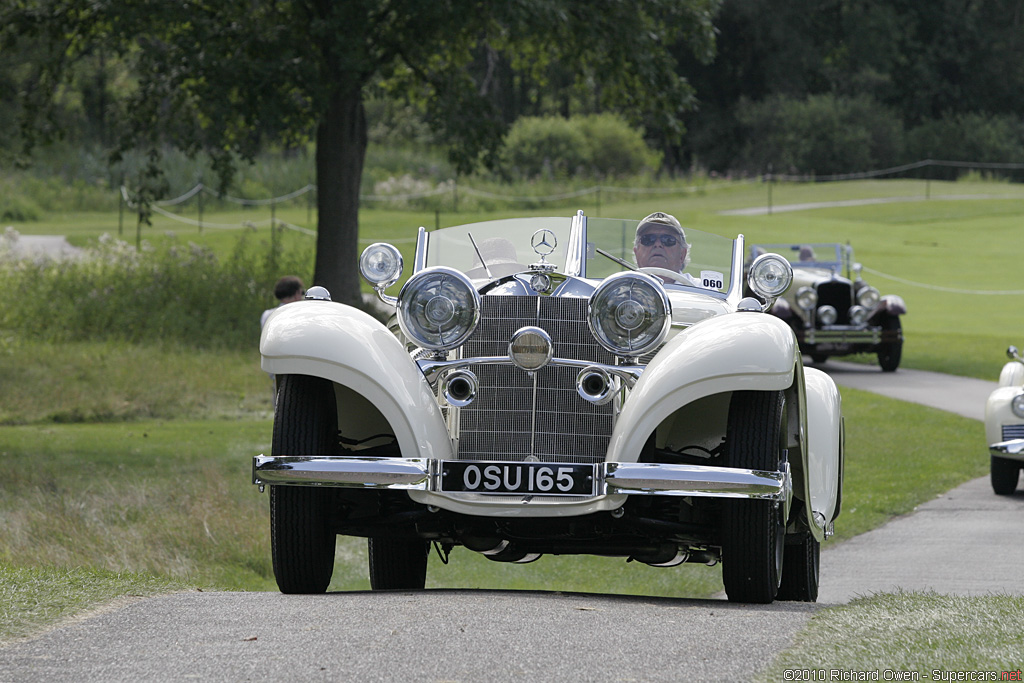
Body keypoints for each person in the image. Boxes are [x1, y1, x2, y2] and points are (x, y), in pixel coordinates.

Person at [632, 212, 700, 286]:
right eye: (648, 239)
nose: (658, 244)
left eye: (668, 240)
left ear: (682, 255)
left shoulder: (701, 290)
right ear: (636, 253)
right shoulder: (622, 290)